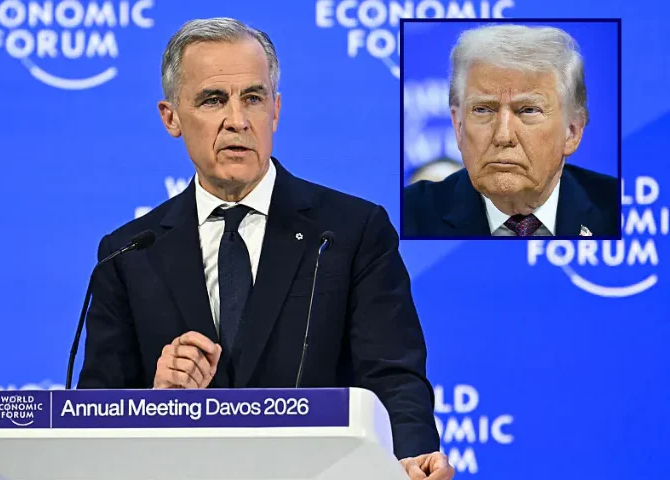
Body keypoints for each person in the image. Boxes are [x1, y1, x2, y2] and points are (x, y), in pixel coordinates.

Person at [78, 17, 453, 479]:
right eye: (213, 100)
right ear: (171, 116)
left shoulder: (351, 232)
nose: (237, 120)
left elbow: (393, 379)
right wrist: (156, 400)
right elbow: (94, 416)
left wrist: (411, 457)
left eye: (253, 98)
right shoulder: (129, 253)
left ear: (275, 110)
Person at [403, 24, 619, 238]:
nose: (503, 136)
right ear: (458, 126)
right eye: (482, 110)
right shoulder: (408, 216)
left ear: (572, 131)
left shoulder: (619, 210)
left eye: (528, 110)